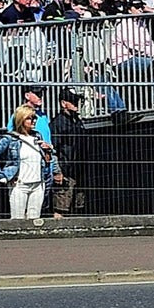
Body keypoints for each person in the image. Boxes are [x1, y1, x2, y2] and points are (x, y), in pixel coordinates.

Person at [49, 89, 87, 217]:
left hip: (79, 170)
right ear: (63, 103)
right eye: (72, 101)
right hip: (65, 171)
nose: (76, 103)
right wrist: (57, 171)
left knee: (78, 206)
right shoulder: (58, 123)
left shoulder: (77, 121)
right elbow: (53, 149)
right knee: (61, 208)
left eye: (77, 100)